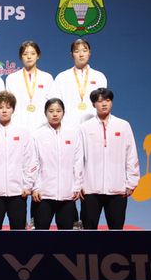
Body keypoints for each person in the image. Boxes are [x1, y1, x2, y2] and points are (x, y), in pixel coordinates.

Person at [79, 88, 140, 230]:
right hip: (90, 189)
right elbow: (78, 158)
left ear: (111, 102)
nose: (104, 104)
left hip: (117, 188)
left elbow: (131, 154)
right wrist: (79, 183)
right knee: (87, 231)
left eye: (107, 100)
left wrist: (131, 182)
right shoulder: (84, 128)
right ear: (94, 104)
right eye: (99, 101)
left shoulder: (123, 125)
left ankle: (114, 254)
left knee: (116, 232)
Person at [0, 91, 37, 230]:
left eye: (8, 107)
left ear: (13, 109)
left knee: (18, 235)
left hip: (18, 192)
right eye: (0, 107)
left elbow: (30, 159)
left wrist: (27, 185)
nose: (4, 110)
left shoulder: (23, 132)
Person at [32, 98, 83, 230]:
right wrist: (36, 187)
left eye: (58, 111)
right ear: (45, 113)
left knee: (66, 237)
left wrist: (77, 186)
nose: (55, 114)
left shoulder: (73, 133)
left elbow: (78, 161)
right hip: (44, 195)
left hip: (67, 194)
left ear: (63, 113)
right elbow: (33, 163)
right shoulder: (37, 135)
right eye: (51, 111)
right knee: (40, 235)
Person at [54, 38, 108, 129]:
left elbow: (103, 105)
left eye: (84, 50)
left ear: (89, 53)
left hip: (93, 127)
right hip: (68, 127)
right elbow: (56, 104)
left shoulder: (99, 77)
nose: (81, 54)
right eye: (77, 51)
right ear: (72, 55)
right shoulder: (62, 77)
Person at [6, 40, 56, 130]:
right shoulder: (12, 78)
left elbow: (52, 104)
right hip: (18, 125)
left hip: (42, 125)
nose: (29, 57)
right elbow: (8, 105)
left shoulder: (47, 78)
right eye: (25, 54)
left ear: (38, 56)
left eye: (33, 53)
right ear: (20, 57)